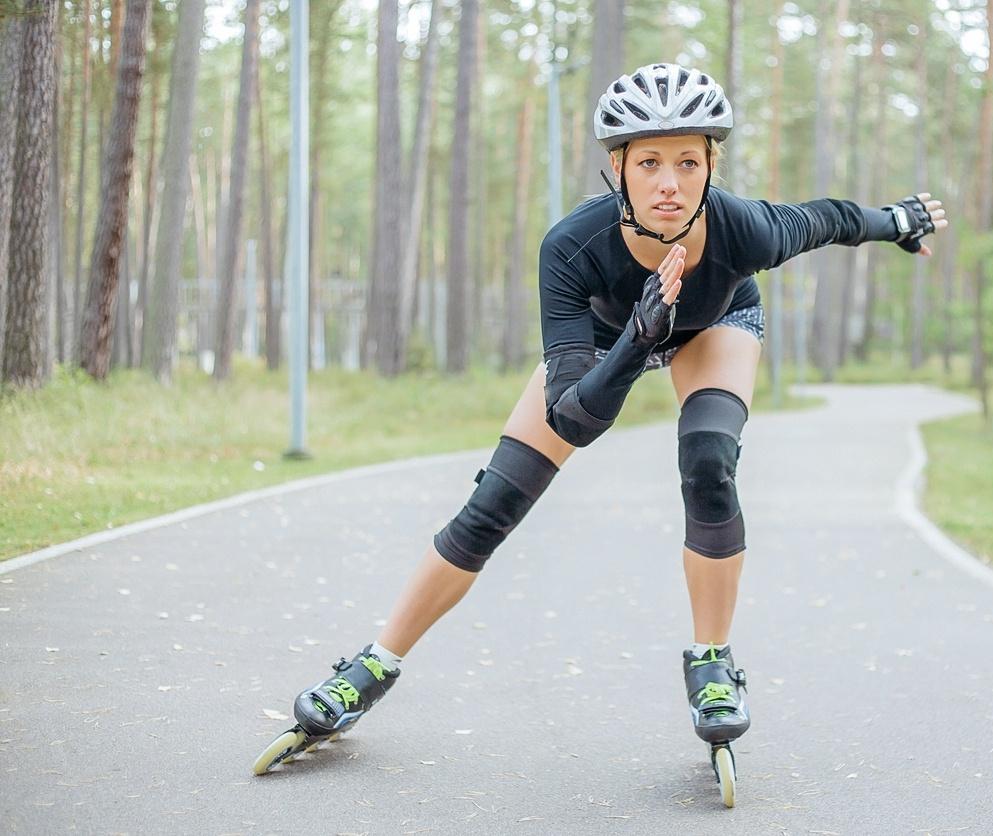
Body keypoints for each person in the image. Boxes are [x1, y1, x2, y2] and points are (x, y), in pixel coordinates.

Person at [256, 62, 946, 772]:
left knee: (710, 465)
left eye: (688, 160)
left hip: (716, 322)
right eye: (650, 162)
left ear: (712, 165)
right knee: (493, 503)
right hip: (601, 345)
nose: (670, 183)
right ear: (618, 168)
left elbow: (828, 219)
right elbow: (576, 418)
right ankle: (374, 664)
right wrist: (636, 339)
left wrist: (895, 223)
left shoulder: (747, 231)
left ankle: (713, 664)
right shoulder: (571, 247)